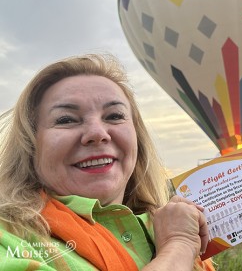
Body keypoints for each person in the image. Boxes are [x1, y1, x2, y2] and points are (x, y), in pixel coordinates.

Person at [0, 54, 215, 271]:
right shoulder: (7, 237)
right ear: (29, 144)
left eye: (114, 116)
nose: (97, 133)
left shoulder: (171, 226)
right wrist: (179, 246)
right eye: (66, 119)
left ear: (137, 137)